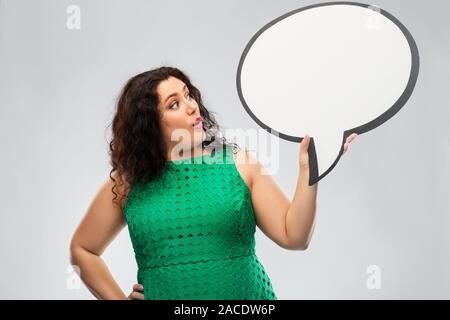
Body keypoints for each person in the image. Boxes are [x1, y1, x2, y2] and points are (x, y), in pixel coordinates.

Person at [69, 66, 357, 300]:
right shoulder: (128, 183)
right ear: (149, 125)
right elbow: (83, 250)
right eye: (174, 104)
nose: (192, 106)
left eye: (187, 94)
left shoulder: (239, 164)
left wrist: (309, 170)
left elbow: (294, 236)